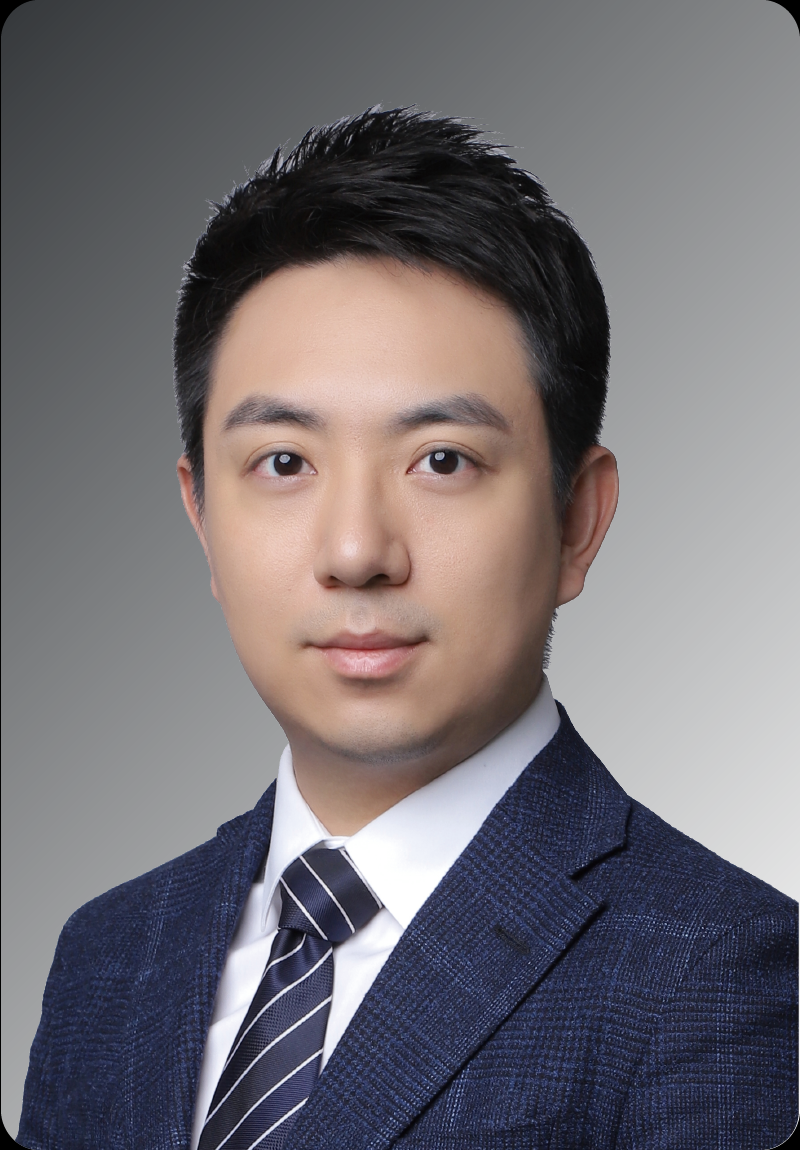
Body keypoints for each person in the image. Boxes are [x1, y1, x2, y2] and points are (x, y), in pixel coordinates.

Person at [18, 107, 796, 1150]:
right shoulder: (108, 958)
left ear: (576, 519)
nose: (356, 550)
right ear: (201, 515)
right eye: (283, 463)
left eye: (441, 460)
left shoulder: (717, 970)